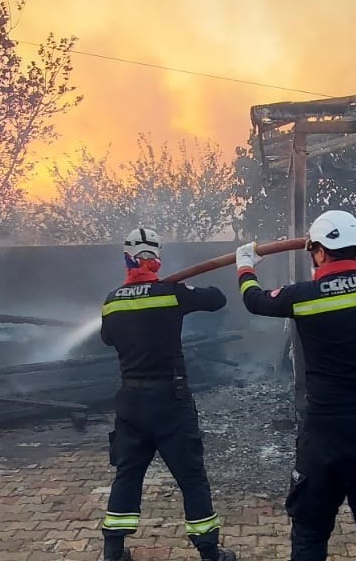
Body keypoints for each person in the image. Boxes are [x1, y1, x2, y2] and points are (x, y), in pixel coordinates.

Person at [235, 210, 356, 561]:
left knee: (311, 531)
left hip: (326, 432)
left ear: (321, 252)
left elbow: (255, 300)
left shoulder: (302, 294)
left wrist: (245, 266)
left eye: (313, 251)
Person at [99, 227, 236, 561]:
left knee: (127, 475)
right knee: (191, 477)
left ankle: (113, 553)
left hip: (130, 403)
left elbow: (107, 339)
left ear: (127, 258)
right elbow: (218, 299)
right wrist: (182, 288)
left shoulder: (112, 301)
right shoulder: (172, 292)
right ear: (157, 260)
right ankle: (209, 552)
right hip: (170, 403)